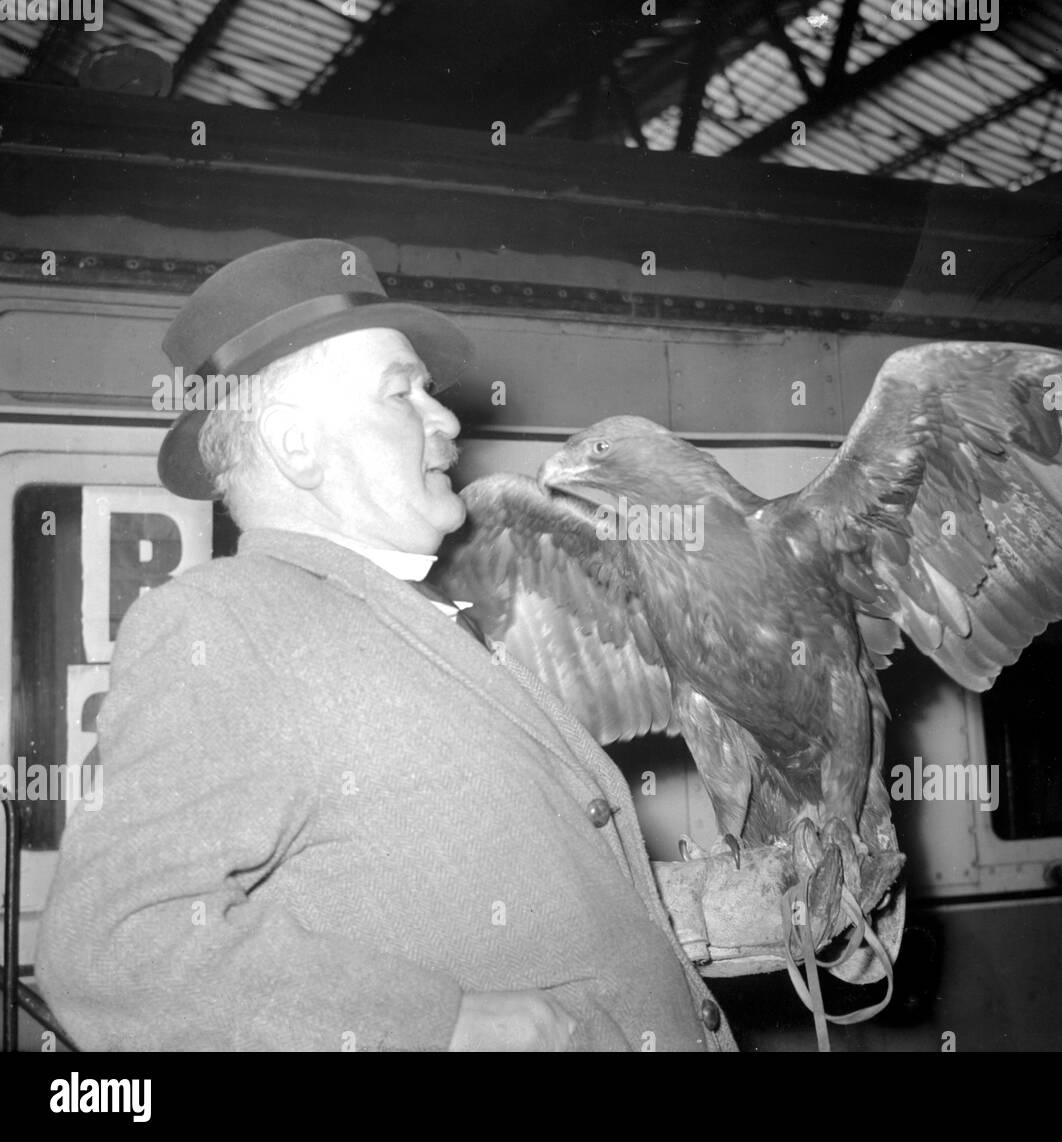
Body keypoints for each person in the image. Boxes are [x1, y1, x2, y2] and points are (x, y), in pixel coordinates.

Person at [35, 239, 735, 1052]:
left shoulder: (415, 615)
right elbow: (113, 950)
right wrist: (441, 1026)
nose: (446, 419)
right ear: (297, 445)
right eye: (401, 394)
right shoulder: (223, 626)